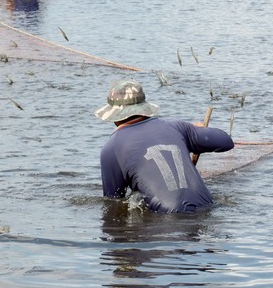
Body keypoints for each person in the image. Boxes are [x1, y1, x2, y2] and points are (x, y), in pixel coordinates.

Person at [94, 79, 235, 213]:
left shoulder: (111, 148)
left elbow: (113, 201)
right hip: (206, 208)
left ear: (114, 114)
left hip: (165, 220)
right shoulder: (178, 127)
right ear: (143, 107)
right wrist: (197, 132)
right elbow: (226, 141)